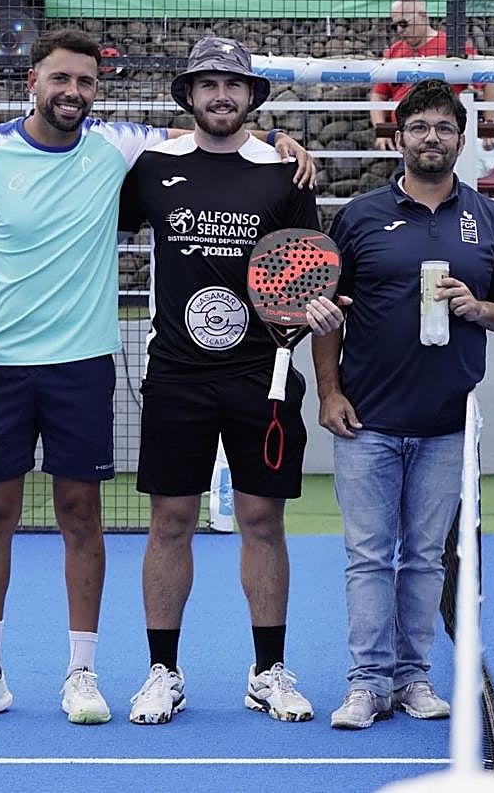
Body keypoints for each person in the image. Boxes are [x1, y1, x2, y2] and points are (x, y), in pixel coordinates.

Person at [0, 28, 308, 727]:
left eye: (85, 82)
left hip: (91, 365)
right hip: (16, 367)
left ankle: (87, 673)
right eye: (61, 78)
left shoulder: (120, 146)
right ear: (31, 81)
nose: (73, 92)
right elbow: (199, 132)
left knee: (86, 516)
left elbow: (210, 135)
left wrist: (278, 139)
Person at [118, 37, 344, 725]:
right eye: (208, 84)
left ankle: (267, 671)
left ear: (252, 96)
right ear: (189, 95)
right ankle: (162, 672)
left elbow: (307, 272)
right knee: (171, 521)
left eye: (234, 84)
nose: (222, 95)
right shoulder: (152, 166)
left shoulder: (285, 172)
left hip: (261, 373)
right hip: (176, 374)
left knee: (262, 521)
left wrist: (310, 320)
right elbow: (88, 226)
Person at [314, 79, 494, 730]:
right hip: (367, 421)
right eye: (419, 127)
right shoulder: (358, 217)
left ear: (461, 141)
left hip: (446, 423)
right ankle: (366, 683)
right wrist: (329, 391)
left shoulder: (489, 220)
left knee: (425, 558)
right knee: (368, 556)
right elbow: (328, 314)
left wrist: (478, 308)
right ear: (398, 138)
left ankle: (413, 678)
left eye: (443, 128)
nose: (431, 138)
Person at [369, 0, 494, 152]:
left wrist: (490, 123)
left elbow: (488, 78)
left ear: (423, 16)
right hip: (407, 139)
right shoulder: (393, 52)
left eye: (403, 24)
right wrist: (381, 131)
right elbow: (378, 94)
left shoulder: (453, 47)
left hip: (444, 137)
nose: (399, 30)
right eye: (394, 26)